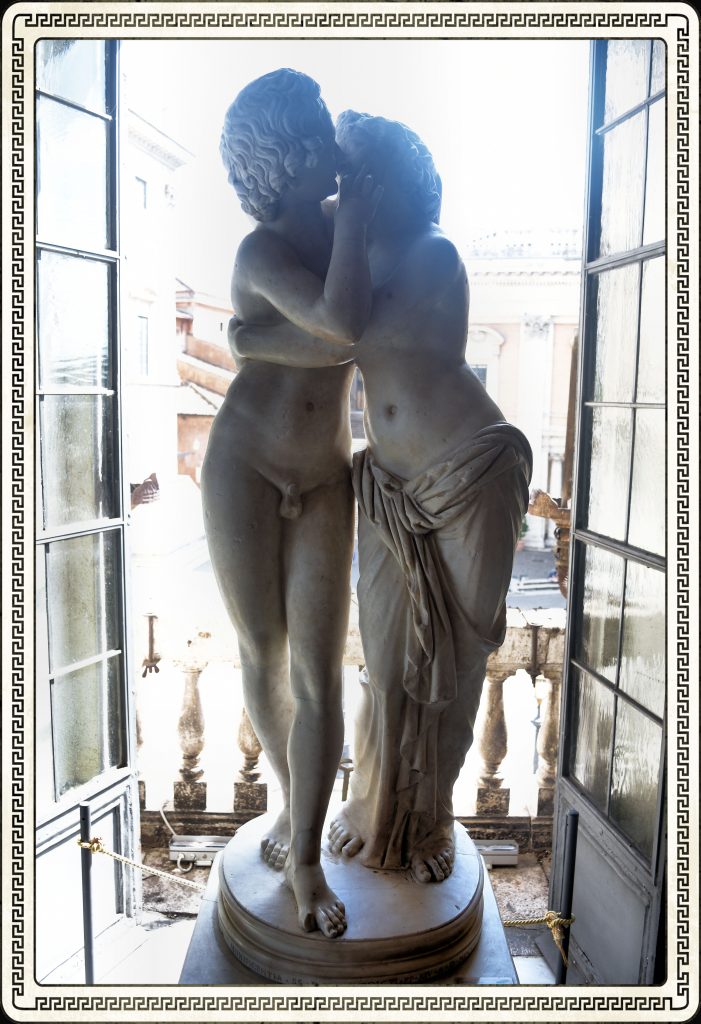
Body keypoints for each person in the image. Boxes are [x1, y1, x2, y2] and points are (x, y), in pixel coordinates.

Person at [233, 110, 532, 886]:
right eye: (340, 173)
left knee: (456, 660)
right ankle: (374, 811)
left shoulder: (431, 251)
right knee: (387, 662)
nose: (341, 187)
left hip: (470, 471)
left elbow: (349, 336)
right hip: (390, 486)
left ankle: (431, 822)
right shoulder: (352, 255)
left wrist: (246, 338)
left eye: (356, 172)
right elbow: (320, 307)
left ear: (391, 178)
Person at [200, 71, 380, 939]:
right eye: (316, 133)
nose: (331, 145)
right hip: (241, 464)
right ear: (292, 155)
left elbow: (360, 330)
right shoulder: (259, 251)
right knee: (262, 651)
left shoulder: (349, 229)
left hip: (322, 476)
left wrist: (260, 340)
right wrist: (276, 339)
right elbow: (346, 327)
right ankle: (287, 803)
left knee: (318, 668)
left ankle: (306, 858)